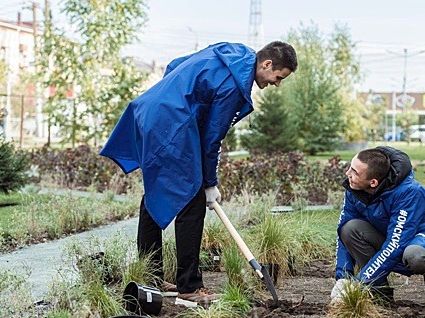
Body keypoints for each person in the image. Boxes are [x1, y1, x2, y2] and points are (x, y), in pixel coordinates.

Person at [100, 41, 297, 304]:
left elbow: (176, 65)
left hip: (150, 111)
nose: (276, 83)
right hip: (171, 124)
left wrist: (173, 96)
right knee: (192, 201)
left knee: (155, 194)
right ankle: (189, 288)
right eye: (278, 77)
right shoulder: (234, 85)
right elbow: (212, 139)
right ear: (267, 64)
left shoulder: (233, 53)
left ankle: (151, 276)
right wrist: (209, 183)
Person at [330, 146, 425, 309]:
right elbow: (343, 233)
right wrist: (343, 277)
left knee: (415, 255)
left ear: (373, 182)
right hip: (394, 238)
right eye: (350, 167)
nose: (348, 174)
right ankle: (379, 294)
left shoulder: (409, 192)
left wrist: (359, 283)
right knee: (349, 229)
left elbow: (396, 244)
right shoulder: (354, 189)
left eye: (355, 172)